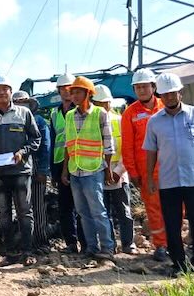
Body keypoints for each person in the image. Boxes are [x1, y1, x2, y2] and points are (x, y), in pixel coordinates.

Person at [143, 74, 194, 277]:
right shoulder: (154, 122)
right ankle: (179, 264)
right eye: (165, 94)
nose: (169, 97)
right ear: (160, 95)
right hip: (169, 181)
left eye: (172, 93)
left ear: (180, 92)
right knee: (172, 224)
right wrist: (150, 178)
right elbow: (151, 151)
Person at [0, 75, 42, 265]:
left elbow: (36, 139)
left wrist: (23, 152)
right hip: (0, 174)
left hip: (21, 171)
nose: (1, 92)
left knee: (25, 212)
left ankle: (27, 252)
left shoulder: (24, 113)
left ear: (10, 91)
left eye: (5, 88)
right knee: (4, 213)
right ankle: (10, 253)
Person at [60, 77, 117, 261]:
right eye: (73, 92)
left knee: (98, 211)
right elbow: (68, 144)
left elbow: (109, 144)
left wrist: (108, 168)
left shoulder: (100, 114)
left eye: (78, 92)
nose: (74, 95)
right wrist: (65, 170)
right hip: (75, 170)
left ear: (88, 93)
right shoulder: (69, 115)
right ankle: (91, 247)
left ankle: (107, 248)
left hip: (93, 170)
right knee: (83, 212)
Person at [121, 68, 168, 261]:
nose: (141, 90)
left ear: (153, 87)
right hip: (147, 172)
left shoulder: (166, 106)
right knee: (154, 209)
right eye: (137, 87)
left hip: (170, 168)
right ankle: (161, 245)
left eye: (144, 86)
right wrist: (132, 172)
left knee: (176, 207)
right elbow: (127, 145)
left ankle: (174, 241)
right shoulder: (130, 113)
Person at [91, 84, 136, 254]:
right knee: (104, 212)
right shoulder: (90, 123)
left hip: (119, 175)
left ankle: (128, 243)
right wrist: (101, 171)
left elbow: (128, 150)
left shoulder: (120, 121)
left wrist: (118, 171)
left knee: (124, 211)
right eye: (99, 103)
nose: (103, 107)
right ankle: (109, 245)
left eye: (105, 103)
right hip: (98, 174)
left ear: (110, 103)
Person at [13, 90, 52, 253]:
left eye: (24, 103)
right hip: (16, 166)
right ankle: (26, 242)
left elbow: (45, 146)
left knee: (37, 205)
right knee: (22, 206)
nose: (22, 106)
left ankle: (41, 242)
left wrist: (42, 170)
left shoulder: (38, 121)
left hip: (34, 165)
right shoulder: (11, 121)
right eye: (18, 103)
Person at [49, 73, 83, 253]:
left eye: (70, 88)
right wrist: (54, 172)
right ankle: (71, 242)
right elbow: (54, 142)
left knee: (82, 206)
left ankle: (86, 243)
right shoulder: (54, 113)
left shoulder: (82, 111)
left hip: (79, 163)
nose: (67, 92)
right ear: (59, 91)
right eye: (63, 88)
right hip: (60, 163)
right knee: (65, 206)